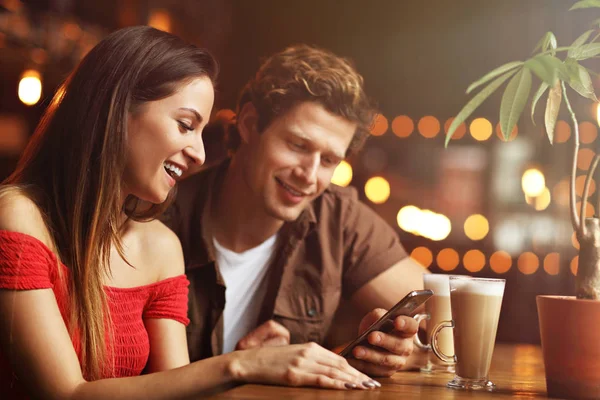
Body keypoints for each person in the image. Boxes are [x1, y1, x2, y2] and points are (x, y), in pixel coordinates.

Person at [0, 27, 380, 400]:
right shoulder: (17, 218)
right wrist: (239, 366)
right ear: (116, 110)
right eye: (185, 125)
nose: (198, 152)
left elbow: (174, 390)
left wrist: (247, 364)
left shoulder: (160, 246)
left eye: (200, 132)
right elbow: (66, 393)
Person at [165, 44, 428, 377]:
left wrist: (397, 351)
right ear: (248, 124)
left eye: (329, 160)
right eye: (297, 146)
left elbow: (445, 322)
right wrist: (249, 366)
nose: (309, 175)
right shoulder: (164, 218)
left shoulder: (338, 218)